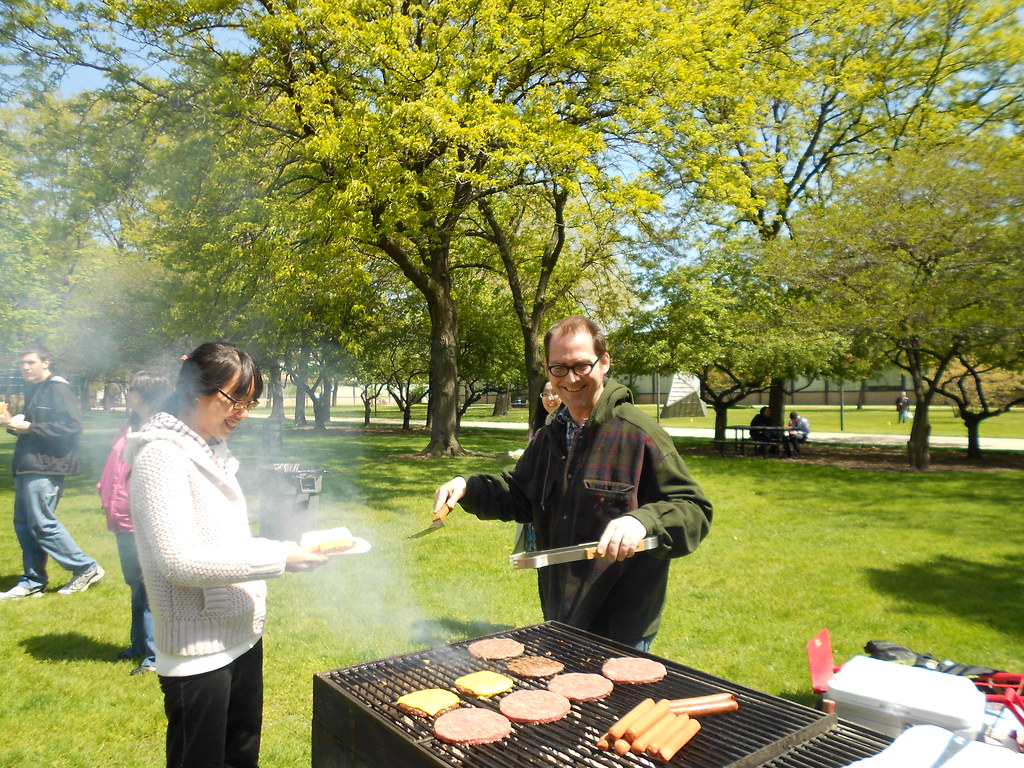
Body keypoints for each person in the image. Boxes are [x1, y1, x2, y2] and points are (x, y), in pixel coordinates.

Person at [433, 316, 712, 650]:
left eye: (581, 366)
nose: (570, 378)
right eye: (558, 368)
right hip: (561, 614)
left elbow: (693, 510)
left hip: (622, 625)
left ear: (604, 362)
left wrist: (642, 521)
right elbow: (519, 495)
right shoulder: (550, 436)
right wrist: (467, 486)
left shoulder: (638, 434)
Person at [125, 342, 329, 768]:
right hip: (198, 652)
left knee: (241, 755)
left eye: (250, 402)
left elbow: (227, 544)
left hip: (241, 637)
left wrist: (284, 547)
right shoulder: (160, 456)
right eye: (236, 400)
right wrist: (280, 559)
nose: (244, 412)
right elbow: (179, 561)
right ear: (195, 391)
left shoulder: (210, 451)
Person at [0, 343, 104, 599]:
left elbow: (71, 428)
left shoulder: (58, 388)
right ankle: (32, 581)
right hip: (28, 464)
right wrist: (12, 423)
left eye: (30, 362)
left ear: (46, 362)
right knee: (25, 525)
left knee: (42, 523)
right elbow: (35, 423)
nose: (25, 367)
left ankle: (85, 567)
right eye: (22, 363)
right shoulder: (36, 389)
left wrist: (29, 429)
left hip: (47, 466)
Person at [97, 371, 173, 675]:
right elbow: (117, 463)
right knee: (136, 586)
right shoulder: (130, 424)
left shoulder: (161, 428)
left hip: (144, 518)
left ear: (146, 393)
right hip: (122, 517)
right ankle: (138, 645)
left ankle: (154, 656)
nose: (128, 392)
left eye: (132, 389)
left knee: (149, 588)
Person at [513, 382, 565, 554]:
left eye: (555, 393)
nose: (550, 399)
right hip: (536, 502)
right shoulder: (541, 426)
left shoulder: (567, 425)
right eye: (545, 394)